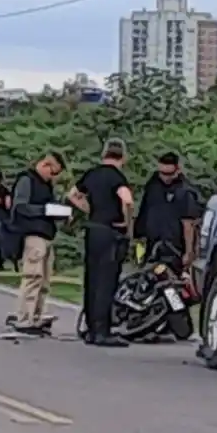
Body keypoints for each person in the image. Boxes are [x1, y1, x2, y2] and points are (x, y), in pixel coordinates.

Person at [67, 138, 135, 347]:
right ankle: (102, 330)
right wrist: (127, 222)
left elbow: (73, 194)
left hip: (93, 229)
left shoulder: (92, 174)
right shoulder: (117, 177)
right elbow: (128, 200)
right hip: (110, 231)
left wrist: (89, 209)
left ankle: (89, 327)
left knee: (92, 278)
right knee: (107, 281)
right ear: (123, 156)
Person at [7, 151, 66, 334]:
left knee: (45, 280)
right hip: (32, 234)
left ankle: (37, 316)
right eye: (53, 172)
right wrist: (45, 210)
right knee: (33, 276)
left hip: (47, 234)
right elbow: (21, 207)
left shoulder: (46, 186)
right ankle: (24, 317)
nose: (53, 177)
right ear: (45, 165)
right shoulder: (27, 180)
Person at [134, 152, 201, 273]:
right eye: (162, 173)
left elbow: (189, 224)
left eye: (169, 174)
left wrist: (189, 252)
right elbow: (144, 213)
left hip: (174, 249)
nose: (165, 177)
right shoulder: (153, 186)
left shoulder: (185, 191)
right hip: (151, 246)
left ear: (178, 170)